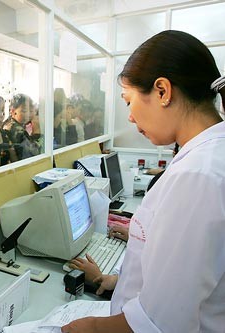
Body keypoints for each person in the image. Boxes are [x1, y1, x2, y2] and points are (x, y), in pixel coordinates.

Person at [62, 30, 225, 333]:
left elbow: (161, 323)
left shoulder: (198, 175)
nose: (131, 118)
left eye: (128, 101)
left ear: (162, 91)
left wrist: (90, 327)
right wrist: (115, 281)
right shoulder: (206, 157)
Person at [0, 93, 43, 161]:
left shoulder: (8, 123)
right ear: (13, 111)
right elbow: (35, 152)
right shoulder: (16, 129)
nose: (28, 114)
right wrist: (36, 131)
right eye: (24, 111)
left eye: (30, 111)